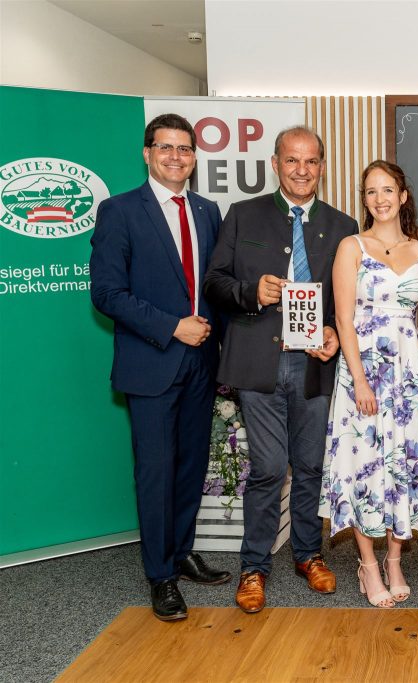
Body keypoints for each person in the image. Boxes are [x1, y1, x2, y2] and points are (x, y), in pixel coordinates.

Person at [204, 126, 357, 613]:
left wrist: (333, 329)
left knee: (311, 465)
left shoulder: (343, 226)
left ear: (322, 167)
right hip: (259, 362)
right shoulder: (242, 214)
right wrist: (251, 293)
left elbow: (350, 298)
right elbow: (214, 282)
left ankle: (309, 555)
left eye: (311, 161)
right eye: (292, 160)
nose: (301, 170)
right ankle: (254, 566)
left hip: (314, 364)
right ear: (275, 164)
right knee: (269, 468)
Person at [90, 113, 230, 621]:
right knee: (155, 471)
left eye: (185, 148)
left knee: (191, 465)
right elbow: (107, 293)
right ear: (147, 153)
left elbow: (216, 284)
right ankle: (160, 575)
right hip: (152, 362)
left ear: (195, 157)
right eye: (165, 147)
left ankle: (182, 551)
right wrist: (173, 327)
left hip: (201, 362)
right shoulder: (119, 211)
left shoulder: (208, 211)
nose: (176, 156)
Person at [319, 160, 418, 608]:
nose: (380, 199)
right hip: (363, 369)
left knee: (402, 463)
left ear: (403, 196)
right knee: (364, 463)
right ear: (364, 199)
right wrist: (360, 381)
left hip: (408, 372)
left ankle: (394, 560)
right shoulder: (352, 246)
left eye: (388, 190)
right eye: (371, 191)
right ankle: (367, 564)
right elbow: (343, 319)